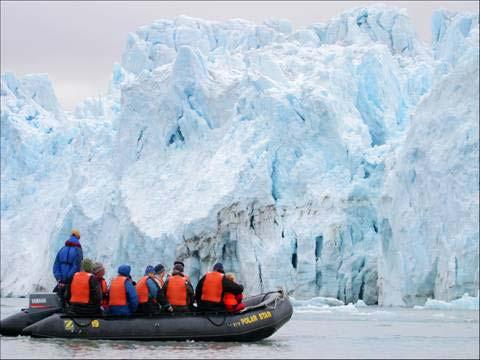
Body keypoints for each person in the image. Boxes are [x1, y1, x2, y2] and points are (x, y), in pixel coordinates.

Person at [52, 229, 83, 306]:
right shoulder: (78, 250)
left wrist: (60, 279)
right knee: (69, 301)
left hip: (61, 281)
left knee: (60, 298)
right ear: (78, 237)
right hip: (70, 282)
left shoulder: (62, 249)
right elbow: (76, 266)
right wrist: (67, 280)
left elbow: (56, 266)